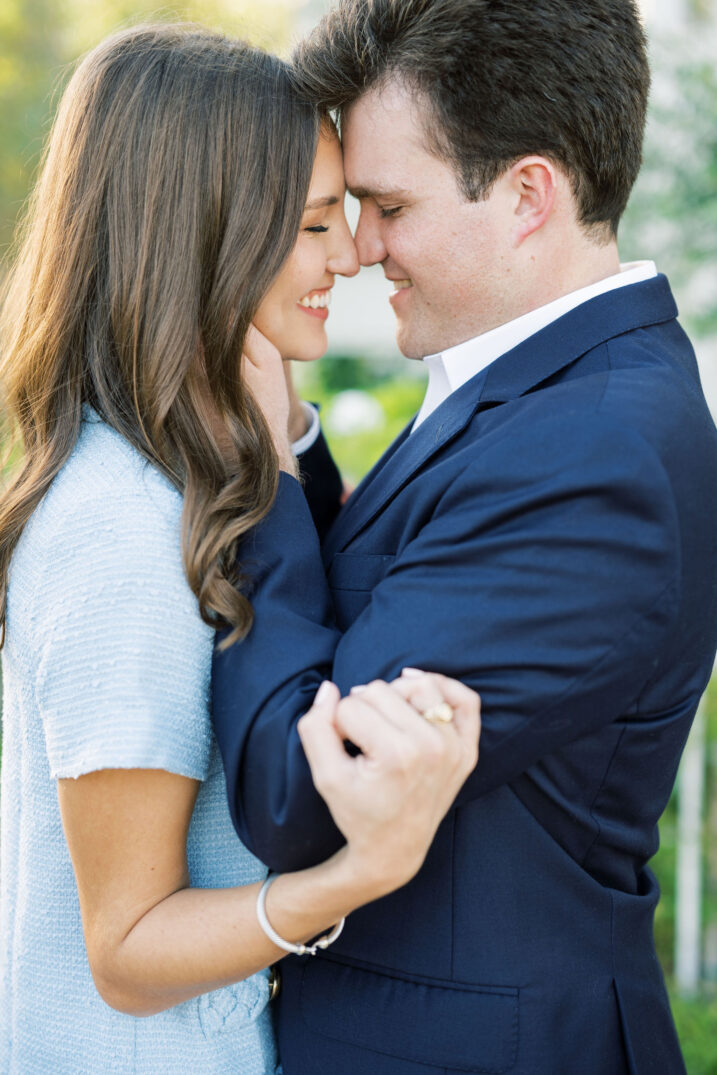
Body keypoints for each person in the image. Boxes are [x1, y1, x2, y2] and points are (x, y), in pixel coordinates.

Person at [211, 2, 717, 1073]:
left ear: (529, 194)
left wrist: (251, 483)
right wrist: (296, 444)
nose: (357, 247)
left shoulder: (596, 448)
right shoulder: (540, 389)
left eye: (389, 205)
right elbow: (380, 583)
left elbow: (306, 787)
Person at [0, 23, 482, 1075]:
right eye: (316, 224)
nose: (353, 252)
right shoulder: (120, 532)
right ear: (204, 238)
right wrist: (362, 871)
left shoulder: (186, 478)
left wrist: (287, 442)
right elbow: (126, 950)